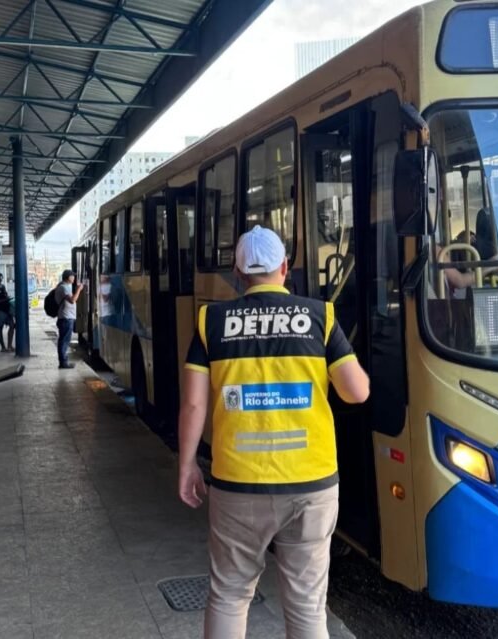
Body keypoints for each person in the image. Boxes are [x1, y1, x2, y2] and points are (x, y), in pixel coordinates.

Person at [178, 225, 370, 639]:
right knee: (306, 607)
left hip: (238, 484)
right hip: (310, 485)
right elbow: (356, 393)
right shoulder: (320, 316)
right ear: (285, 268)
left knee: (229, 594)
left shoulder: (211, 321)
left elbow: (194, 403)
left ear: (237, 273)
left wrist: (187, 464)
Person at [54, 269, 83, 369]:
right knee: (64, 341)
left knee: (64, 340)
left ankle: (63, 361)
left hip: (66, 317)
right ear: (68, 277)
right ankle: (63, 362)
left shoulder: (64, 286)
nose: (74, 278)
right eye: (73, 276)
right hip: (66, 318)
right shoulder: (63, 288)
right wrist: (79, 289)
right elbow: (72, 300)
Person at [0, 272, 14, 352]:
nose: (0, 279)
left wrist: (7, 298)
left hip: (7, 309)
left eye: (0, 277)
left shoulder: (3, 286)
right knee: (0, 327)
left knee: (12, 325)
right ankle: (3, 347)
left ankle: (9, 346)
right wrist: (5, 299)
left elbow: (5, 295)